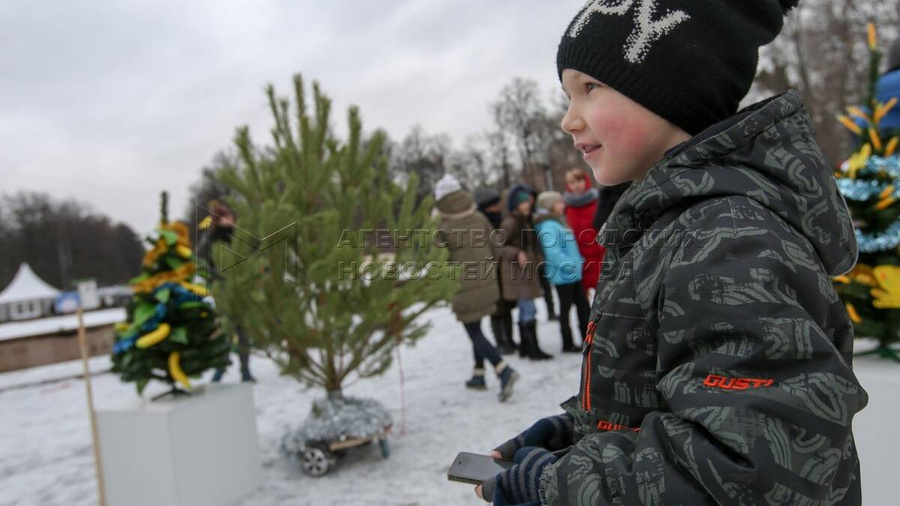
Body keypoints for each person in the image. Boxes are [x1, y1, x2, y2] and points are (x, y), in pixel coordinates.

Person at [477, 1, 867, 504]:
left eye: (589, 88)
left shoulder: (727, 238)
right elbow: (670, 393)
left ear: (674, 92)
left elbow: (751, 471)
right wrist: (577, 435)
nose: (567, 120)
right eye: (567, 94)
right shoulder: (673, 226)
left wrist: (561, 486)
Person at [435, 175, 519, 402]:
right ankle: (478, 374)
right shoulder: (479, 216)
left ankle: (503, 369)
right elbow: (494, 248)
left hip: (462, 289)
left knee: (473, 331)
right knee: (478, 328)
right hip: (487, 282)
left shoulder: (441, 226)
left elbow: (438, 262)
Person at [197, 201, 255, 383]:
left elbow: (252, 257)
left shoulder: (239, 237)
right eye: (227, 217)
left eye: (232, 216)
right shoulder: (211, 239)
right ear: (218, 220)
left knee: (244, 333)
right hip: (223, 291)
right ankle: (220, 370)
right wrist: (215, 279)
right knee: (226, 331)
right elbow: (200, 263)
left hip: (241, 290)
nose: (231, 220)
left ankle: (245, 370)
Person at [498, 184, 553, 360]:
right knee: (528, 309)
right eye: (522, 203)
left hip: (526, 272)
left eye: (527, 202)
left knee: (526, 309)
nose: (527, 205)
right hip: (517, 274)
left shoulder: (526, 220)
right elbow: (497, 246)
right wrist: (516, 253)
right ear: (515, 204)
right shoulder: (511, 222)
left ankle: (525, 347)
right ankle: (533, 349)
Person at [534, 191, 590, 353]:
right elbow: (553, 253)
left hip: (572, 274)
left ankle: (586, 340)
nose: (562, 205)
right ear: (551, 206)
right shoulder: (549, 225)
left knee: (583, 308)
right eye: (558, 203)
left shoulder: (557, 221)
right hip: (564, 276)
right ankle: (568, 343)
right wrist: (572, 264)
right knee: (567, 310)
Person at [475, 187, 518, 355]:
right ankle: (500, 342)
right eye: (494, 205)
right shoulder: (480, 223)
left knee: (506, 307)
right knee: (495, 309)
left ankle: (510, 340)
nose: (497, 208)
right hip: (489, 270)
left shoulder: (500, 220)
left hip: (503, 269)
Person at [562, 168, 605, 297]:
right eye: (572, 182)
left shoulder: (597, 201)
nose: (576, 185)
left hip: (599, 252)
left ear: (585, 181)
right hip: (579, 257)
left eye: (579, 181)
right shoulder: (566, 207)